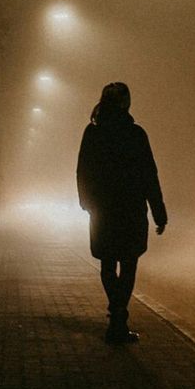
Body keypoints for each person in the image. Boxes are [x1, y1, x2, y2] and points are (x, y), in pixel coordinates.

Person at [77, 82, 167, 344]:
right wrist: (158, 212)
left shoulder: (93, 133)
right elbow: (150, 175)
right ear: (125, 103)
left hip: (103, 209)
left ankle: (116, 313)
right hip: (130, 209)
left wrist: (86, 202)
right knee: (129, 263)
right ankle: (119, 316)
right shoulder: (136, 134)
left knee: (107, 262)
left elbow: (83, 170)